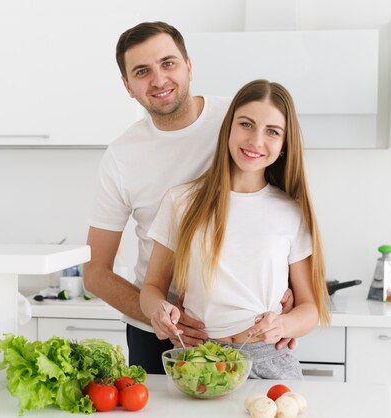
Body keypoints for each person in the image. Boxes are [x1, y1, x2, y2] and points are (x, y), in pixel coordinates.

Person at [84, 22, 294, 374]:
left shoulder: (240, 121)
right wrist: (159, 315)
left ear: (189, 66)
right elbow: (95, 271)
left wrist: (291, 297)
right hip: (157, 334)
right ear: (128, 86)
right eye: (142, 71)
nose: (159, 79)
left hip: (247, 331)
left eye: (168, 63)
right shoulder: (121, 157)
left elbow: (283, 207)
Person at [140, 79, 330, 379]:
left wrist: (284, 325)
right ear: (228, 127)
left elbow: (309, 309)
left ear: (283, 146)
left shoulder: (292, 211)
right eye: (246, 124)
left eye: (272, 132)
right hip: (200, 359)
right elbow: (151, 288)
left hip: (270, 362)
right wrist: (159, 312)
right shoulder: (182, 201)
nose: (256, 141)